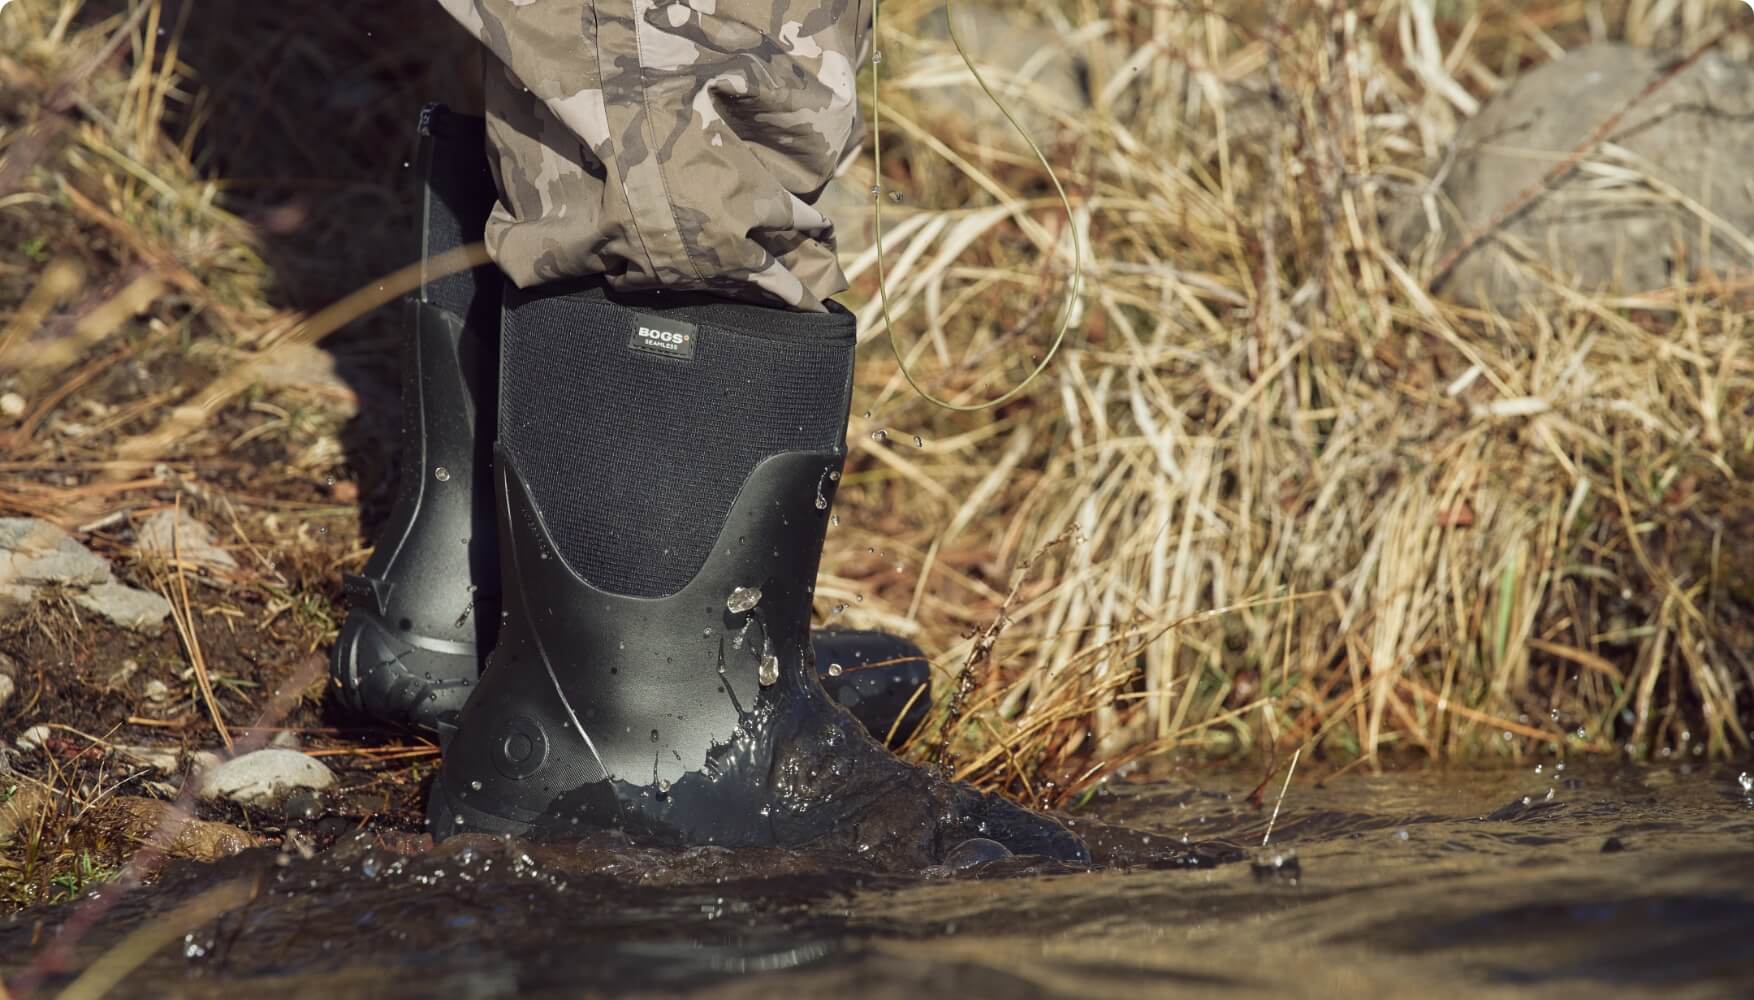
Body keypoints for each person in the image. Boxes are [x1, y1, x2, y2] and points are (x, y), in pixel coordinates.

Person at [333, 0, 1086, 868]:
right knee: (687, 101)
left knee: (553, 70)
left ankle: (480, 614)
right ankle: (640, 737)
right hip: (627, 745)